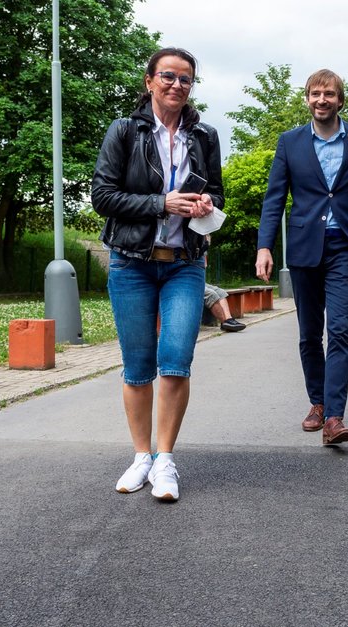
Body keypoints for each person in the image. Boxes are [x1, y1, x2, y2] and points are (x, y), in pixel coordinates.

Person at [91, 47, 224, 501]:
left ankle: (165, 460)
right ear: (149, 81)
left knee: (175, 360)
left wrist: (206, 206)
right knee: (137, 367)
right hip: (131, 264)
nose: (176, 85)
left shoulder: (205, 136)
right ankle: (140, 456)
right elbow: (103, 197)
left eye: (186, 79)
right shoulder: (124, 131)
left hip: (185, 264)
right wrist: (161, 203)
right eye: (167, 76)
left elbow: (217, 195)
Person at [255, 69, 348, 446]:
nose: (321, 99)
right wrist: (265, 246)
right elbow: (273, 200)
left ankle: (334, 417)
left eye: (329, 94)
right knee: (309, 334)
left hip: (347, 246)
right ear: (307, 99)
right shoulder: (290, 142)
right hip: (304, 248)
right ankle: (316, 402)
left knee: (341, 330)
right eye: (315, 93)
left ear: (340, 100)